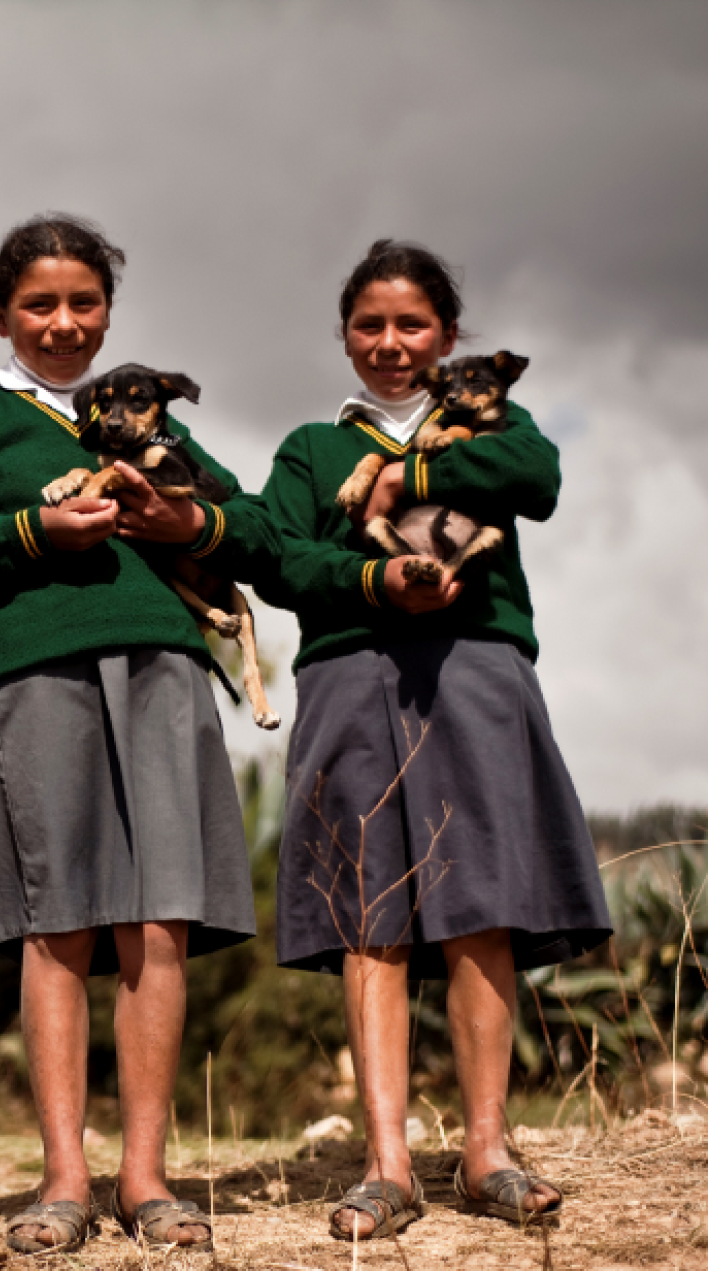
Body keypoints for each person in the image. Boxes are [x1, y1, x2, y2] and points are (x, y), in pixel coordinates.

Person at [0, 215, 275, 1254]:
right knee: (58, 922)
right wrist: (30, 530)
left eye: (84, 302)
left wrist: (190, 526)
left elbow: (264, 532)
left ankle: (145, 1177)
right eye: (40, 304)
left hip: (165, 673)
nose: (63, 322)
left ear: (110, 311)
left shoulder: (152, 424)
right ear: (3, 313)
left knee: (158, 920)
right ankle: (63, 1177)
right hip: (39, 675)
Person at [258, 239, 611, 1240]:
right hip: (349, 671)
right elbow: (285, 555)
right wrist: (376, 574)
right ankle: (388, 1163)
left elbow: (534, 474)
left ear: (449, 336)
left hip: (476, 663)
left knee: (478, 903)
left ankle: (488, 1149)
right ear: (345, 336)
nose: (390, 342)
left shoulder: (491, 422)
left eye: (412, 324)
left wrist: (408, 468)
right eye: (369, 324)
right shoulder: (310, 447)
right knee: (373, 910)